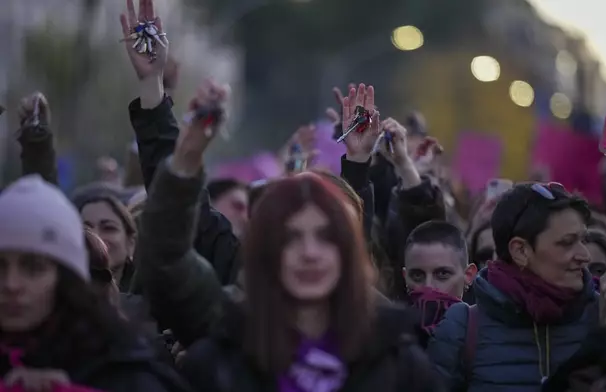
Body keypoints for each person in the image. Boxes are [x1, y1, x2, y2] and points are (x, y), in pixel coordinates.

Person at [135, 76, 443, 391]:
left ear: (350, 249)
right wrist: (186, 157)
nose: (310, 252)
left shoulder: (396, 361)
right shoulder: (227, 344)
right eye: (291, 238)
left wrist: (362, 163)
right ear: (264, 247)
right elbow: (165, 260)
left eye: (326, 237)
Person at [0, 175, 189, 391]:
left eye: (33, 268)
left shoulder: (125, 371)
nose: (11, 284)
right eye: (0, 267)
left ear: (66, 278)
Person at [428, 182, 599, 391]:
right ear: (521, 251)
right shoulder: (462, 329)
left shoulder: (602, 316)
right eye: (566, 243)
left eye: (583, 240)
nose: (585, 256)